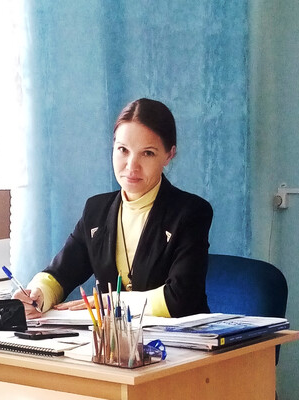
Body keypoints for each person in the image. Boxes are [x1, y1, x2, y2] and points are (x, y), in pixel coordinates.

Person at [14, 98, 213, 319]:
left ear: (169, 154)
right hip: (113, 339)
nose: (131, 166)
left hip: (180, 337)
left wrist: (111, 302)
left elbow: (180, 298)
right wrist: (38, 294)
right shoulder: (96, 210)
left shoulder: (191, 212)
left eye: (147, 153)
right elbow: (62, 272)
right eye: (123, 150)